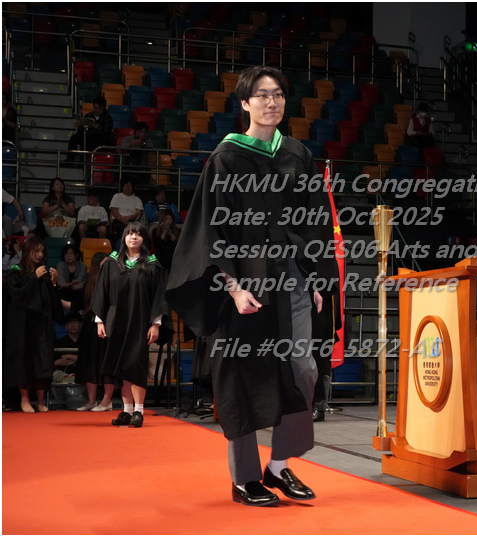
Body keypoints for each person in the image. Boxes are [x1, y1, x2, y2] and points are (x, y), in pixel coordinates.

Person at [166, 65, 340, 506]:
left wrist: (315, 278)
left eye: (277, 94)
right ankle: (244, 478)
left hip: (293, 280)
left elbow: (313, 221)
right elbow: (211, 230)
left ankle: (278, 466)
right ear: (244, 103)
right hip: (245, 284)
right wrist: (232, 287)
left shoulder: (297, 154)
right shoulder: (226, 159)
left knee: (304, 370)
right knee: (241, 376)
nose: (271, 101)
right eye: (261, 95)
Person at [91, 221, 170, 427]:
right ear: (124, 238)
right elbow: (101, 292)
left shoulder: (152, 265)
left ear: (144, 239)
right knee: (121, 366)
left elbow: (158, 296)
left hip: (140, 322)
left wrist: (156, 324)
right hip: (115, 321)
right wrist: (100, 321)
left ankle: (139, 411)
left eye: (138, 234)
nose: (133, 237)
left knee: (136, 365)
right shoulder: (112, 262)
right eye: (129, 233)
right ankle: (126, 411)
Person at [3, 236, 60, 413]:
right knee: (23, 361)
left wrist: (53, 284)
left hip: (41, 324)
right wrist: (33, 277)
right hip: (22, 324)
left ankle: (41, 401)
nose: (40, 254)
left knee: (42, 360)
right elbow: (15, 294)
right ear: (27, 251)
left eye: (42, 251)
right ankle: (24, 400)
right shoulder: (16, 271)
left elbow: (51, 303)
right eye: (36, 251)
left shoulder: (43, 273)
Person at [74, 252, 115, 412]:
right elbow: (75, 305)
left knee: (106, 363)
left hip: (108, 326)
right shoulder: (89, 285)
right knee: (90, 363)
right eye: (104, 264)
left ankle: (106, 401)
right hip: (90, 328)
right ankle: (91, 401)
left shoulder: (113, 282)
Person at [65, 97, 114, 164]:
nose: (97, 110)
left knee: (89, 143)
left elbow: (107, 135)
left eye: (99, 109)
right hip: (88, 137)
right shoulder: (89, 115)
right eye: (95, 108)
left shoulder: (108, 118)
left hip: (99, 140)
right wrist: (80, 126)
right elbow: (81, 132)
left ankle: (84, 163)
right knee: (74, 138)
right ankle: (69, 159)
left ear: (104, 108)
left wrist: (100, 128)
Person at [109, 178, 145, 242]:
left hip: (133, 222)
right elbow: (114, 211)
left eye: (130, 185)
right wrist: (122, 220)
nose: (128, 187)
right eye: (126, 185)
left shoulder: (137, 199)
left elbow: (138, 213)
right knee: (123, 229)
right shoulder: (117, 196)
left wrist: (128, 218)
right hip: (118, 221)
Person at [55, 243, 88, 312]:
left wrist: (75, 285)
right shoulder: (60, 265)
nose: (68, 256)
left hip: (78, 291)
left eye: (70, 254)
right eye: (66, 254)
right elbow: (61, 284)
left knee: (82, 292)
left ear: (76, 255)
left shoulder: (82, 266)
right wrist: (71, 284)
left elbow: (81, 282)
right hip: (64, 291)